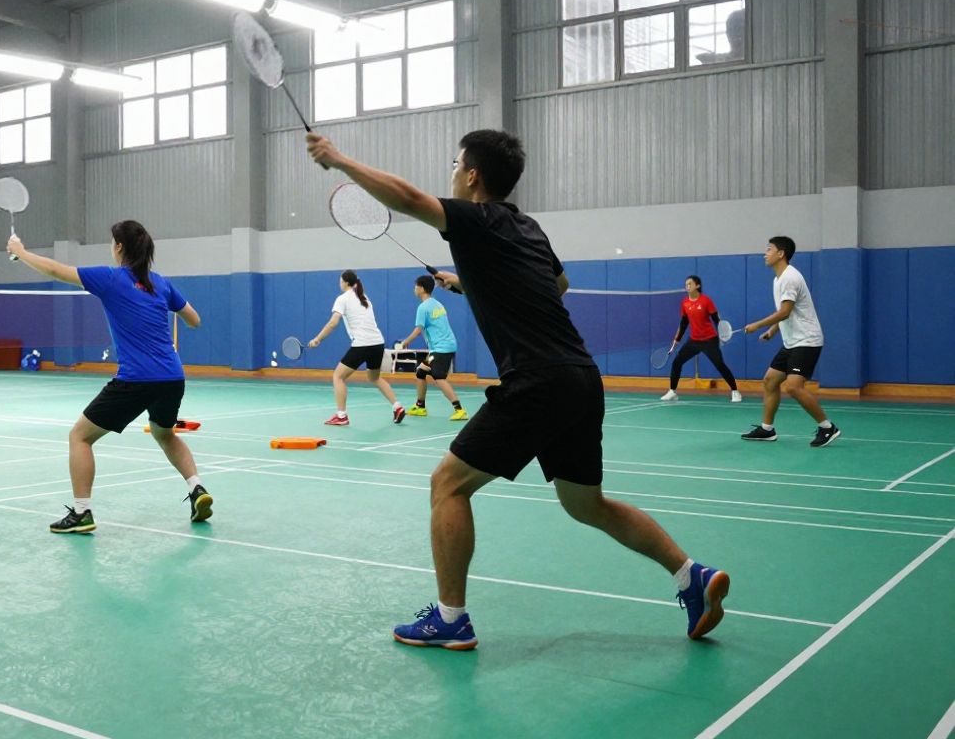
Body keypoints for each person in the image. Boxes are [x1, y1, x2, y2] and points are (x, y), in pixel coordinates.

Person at [306, 129, 729, 650]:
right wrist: (472, 282)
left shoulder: (472, 217)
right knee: (586, 505)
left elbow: (411, 200)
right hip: (579, 375)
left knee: (448, 485)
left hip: (537, 379)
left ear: (472, 175)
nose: (452, 173)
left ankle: (451, 618)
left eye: (455, 164)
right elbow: (558, 285)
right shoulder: (526, 227)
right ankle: (692, 577)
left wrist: (339, 159)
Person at [7, 221, 213, 534]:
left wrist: (19, 252)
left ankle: (82, 512)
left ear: (118, 247)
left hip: (137, 379)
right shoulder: (161, 283)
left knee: (80, 437)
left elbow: (54, 270)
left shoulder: (111, 278)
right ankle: (197, 487)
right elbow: (195, 320)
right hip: (172, 377)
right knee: (165, 434)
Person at [741, 237, 839, 447]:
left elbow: (785, 312)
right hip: (792, 342)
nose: (764, 254)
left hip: (807, 340)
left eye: (769, 249)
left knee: (793, 387)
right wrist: (772, 331)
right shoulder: (778, 279)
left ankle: (827, 427)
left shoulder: (790, 278)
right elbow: (786, 312)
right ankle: (767, 430)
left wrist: (757, 325)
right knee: (770, 380)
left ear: (781, 253)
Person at [307, 270, 407, 426]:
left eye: (340, 281)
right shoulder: (364, 297)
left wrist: (317, 339)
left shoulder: (342, 299)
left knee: (338, 376)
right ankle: (397, 406)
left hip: (362, 344)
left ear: (346, 283)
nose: (339, 284)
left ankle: (341, 416)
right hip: (377, 344)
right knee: (374, 377)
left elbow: (333, 323)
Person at [660, 276, 742, 402]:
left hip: (709, 340)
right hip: (694, 341)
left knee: (720, 365)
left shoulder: (706, 301)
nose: (687, 286)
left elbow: (716, 319)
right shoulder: (685, 302)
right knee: (677, 362)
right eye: (686, 284)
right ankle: (672, 392)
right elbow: (684, 322)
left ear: (697, 286)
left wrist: (722, 335)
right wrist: (677, 338)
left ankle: (735, 391)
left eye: (690, 284)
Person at [399, 275, 468, 420]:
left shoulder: (423, 307)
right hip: (442, 347)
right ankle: (420, 406)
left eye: (416, 286)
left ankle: (459, 410)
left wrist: (406, 341)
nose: (414, 289)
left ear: (422, 288)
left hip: (441, 348)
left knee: (439, 377)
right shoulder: (437, 304)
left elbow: (418, 330)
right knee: (421, 371)